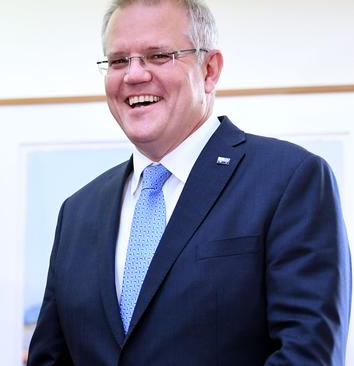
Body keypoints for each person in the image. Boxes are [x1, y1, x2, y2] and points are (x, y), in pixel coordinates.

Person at [27, 0, 351, 365]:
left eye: (159, 55)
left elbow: (307, 355)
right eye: (119, 61)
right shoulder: (78, 211)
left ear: (210, 70)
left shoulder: (290, 180)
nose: (134, 75)